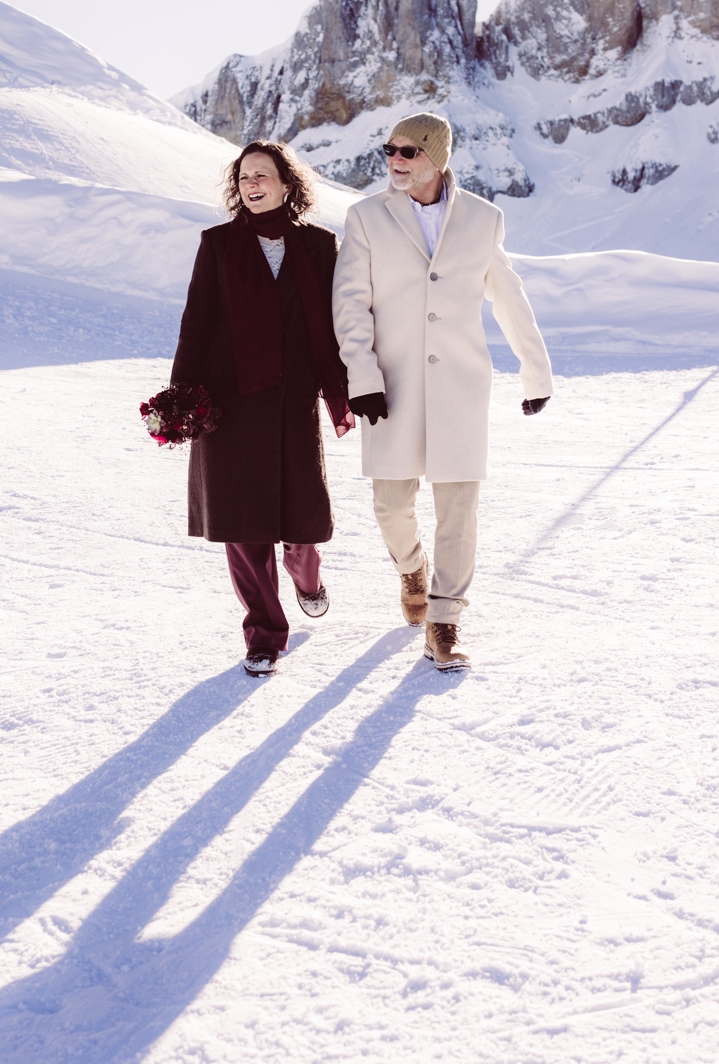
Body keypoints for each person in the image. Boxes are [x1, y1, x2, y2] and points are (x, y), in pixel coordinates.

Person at [332, 112, 552, 671]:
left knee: (459, 507)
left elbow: (508, 296)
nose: (396, 160)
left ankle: (445, 619)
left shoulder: (483, 218)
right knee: (390, 502)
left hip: (460, 383)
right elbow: (350, 305)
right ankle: (411, 567)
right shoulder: (365, 217)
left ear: (437, 157)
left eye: (408, 151)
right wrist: (362, 376)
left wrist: (535, 373)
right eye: (390, 150)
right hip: (391, 384)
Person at [171, 141, 353, 677]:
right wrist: (182, 394)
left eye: (262, 175)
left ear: (286, 183)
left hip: (294, 397)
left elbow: (335, 322)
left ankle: (305, 571)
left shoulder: (318, 246)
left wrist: (348, 384)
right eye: (244, 176)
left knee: (303, 522)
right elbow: (197, 320)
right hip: (228, 401)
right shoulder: (218, 244)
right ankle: (264, 635)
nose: (252, 183)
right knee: (243, 526)